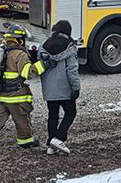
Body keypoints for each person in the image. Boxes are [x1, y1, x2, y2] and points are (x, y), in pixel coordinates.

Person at [0, 24, 46, 154]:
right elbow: (27, 73)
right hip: (15, 96)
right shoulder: (19, 54)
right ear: (20, 40)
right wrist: (43, 65)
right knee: (21, 118)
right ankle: (26, 141)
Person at [38, 20, 80, 155]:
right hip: (65, 88)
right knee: (70, 112)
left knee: (53, 115)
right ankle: (58, 138)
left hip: (49, 88)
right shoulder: (70, 47)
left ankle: (51, 144)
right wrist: (76, 88)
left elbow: (40, 66)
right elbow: (72, 70)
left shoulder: (43, 45)